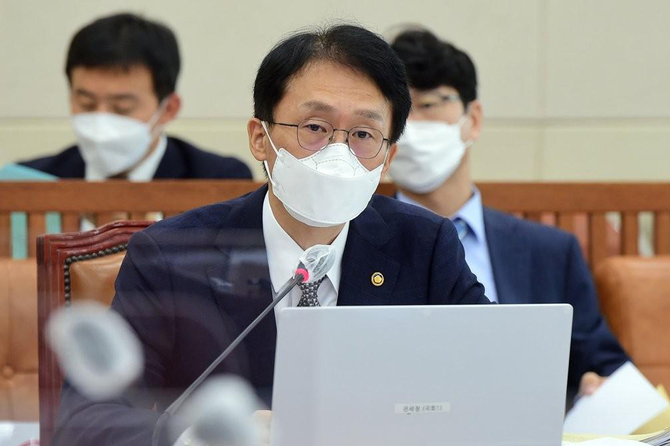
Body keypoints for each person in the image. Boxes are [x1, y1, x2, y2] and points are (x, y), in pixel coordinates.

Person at [53, 24, 489, 446]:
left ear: (388, 157)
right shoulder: (172, 255)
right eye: (315, 128)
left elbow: (493, 379)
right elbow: (84, 419)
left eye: (363, 134)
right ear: (260, 139)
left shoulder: (424, 245)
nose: (338, 153)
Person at [389, 27, 630, 401]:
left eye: (430, 104)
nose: (412, 126)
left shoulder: (550, 252)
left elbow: (605, 366)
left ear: (473, 119)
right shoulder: (353, 238)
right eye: (400, 110)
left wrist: (596, 386)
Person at [18, 13, 251, 180]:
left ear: (168, 108)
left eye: (122, 107)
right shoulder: (28, 181)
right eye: (86, 103)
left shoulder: (217, 180)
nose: (101, 121)